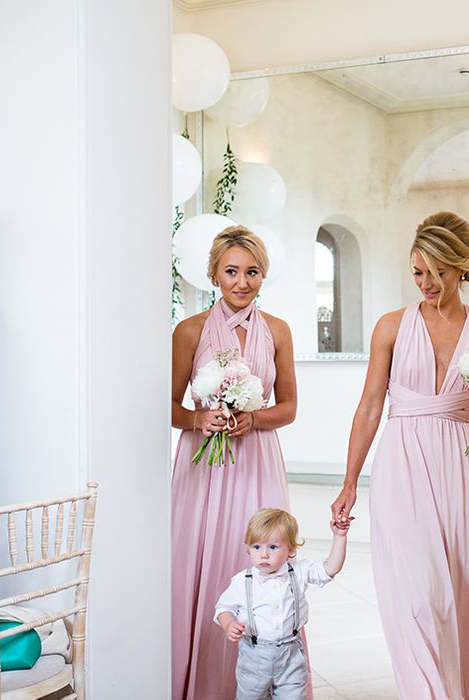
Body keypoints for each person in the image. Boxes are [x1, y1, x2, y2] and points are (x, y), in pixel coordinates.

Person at [331, 211, 469, 699]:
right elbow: (371, 405)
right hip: (401, 464)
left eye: (436, 272)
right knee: (416, 596)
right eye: (417, 272)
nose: (426, 283)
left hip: (461, 464)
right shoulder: (391, 327)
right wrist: (350, 482)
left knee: (461, 593)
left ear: (460, 268)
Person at [171, 226, 299, 700]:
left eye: (252, 272)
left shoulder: (279, 332)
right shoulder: (189, 331)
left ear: (263, 275)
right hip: (202, 465)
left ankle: (269, 683)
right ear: (213, 274)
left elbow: (288, 407)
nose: (241, 282)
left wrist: (255, 418)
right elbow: (167, 406)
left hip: (257, 459)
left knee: (264, 558)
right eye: (231, 271)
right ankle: (200, 680)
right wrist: (198, 417)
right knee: (202, 560)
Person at [215, 508, 351, 700]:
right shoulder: (241, 581)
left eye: (272, 547)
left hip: (290, 655)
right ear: (248, 548)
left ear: (291, 549)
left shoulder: (299, 571)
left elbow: (330, 568)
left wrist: (339, 537)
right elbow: (223, 608)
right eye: (256, 547)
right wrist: (229, 624)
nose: (263, 555)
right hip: (254, 656)